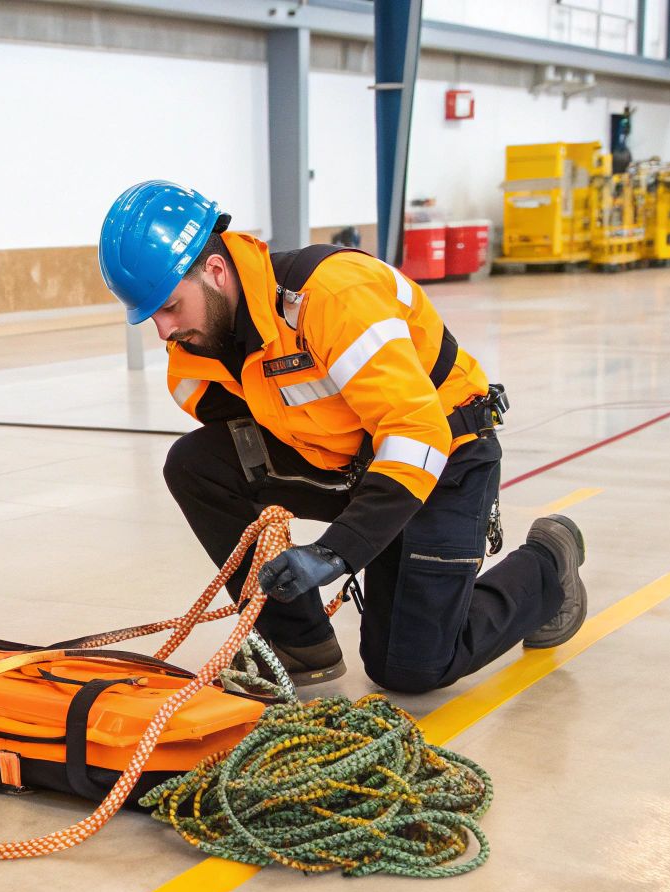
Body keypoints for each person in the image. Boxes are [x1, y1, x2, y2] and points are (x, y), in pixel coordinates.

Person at [97, 180, 588, 693]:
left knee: (412, 668)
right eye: (151, 316)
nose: (163, 331)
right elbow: (247, 442)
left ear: (215, 272)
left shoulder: (332, 295)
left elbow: (416, 432)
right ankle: (298, 642)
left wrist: (338, 551)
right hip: (348, 461)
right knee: (195, 464)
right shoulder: (196, 354)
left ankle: (548, 565)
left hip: (444, 455)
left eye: (170, 307)